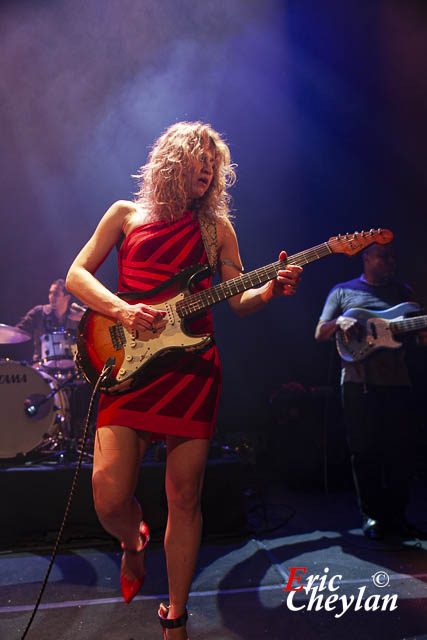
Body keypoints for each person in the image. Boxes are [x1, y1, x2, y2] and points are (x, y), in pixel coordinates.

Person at [66, 121, 303, 639]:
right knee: (108, 497)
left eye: (214, 163)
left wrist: (271, 292)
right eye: (200, 157)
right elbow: (77, 275)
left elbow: (238, 298)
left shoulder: (217, 229)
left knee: (184, 494)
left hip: (191, 370)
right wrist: (123, 312)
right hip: (129, 364)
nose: (209, 168)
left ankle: (175, 615)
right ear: (174, 161)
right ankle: (133, 540)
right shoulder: (125, 216)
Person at [315, 242, 424, 541]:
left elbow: (419, 338)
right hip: (357, 383)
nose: (389, 261)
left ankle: (398, 516)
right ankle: (372, 516)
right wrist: (341, 321)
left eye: (392, 256)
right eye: (383, 256)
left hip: (397, 382)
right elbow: (320, 331)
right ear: (366, 258)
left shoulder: (403, 293)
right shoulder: (343, 291)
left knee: (400, 453)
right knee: (364, 452)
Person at [16, 278, 85, 363]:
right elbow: (18, 331)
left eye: (56, 294)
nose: (51, 297)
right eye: (50, 293)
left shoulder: (77, 317)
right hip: (41, 366)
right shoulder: (39, 313)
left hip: (72, 367)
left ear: (67, 298)